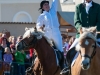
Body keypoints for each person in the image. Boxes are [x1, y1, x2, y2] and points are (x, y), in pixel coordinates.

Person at [66, 0, 100, 74]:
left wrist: (94, 30)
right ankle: (68, 69)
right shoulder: (78, 7)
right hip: (82, 35)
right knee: (70, 51)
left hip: (94, 35)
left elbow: (99, 21)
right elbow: (77, 21)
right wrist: (80, 29)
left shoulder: (98, 7)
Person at [36, 0, 65, 70]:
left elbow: (55, 1)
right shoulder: (42, 16)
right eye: (45, 5)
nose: (47, 5)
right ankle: (34, 66)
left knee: (60, 49)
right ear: (42, 7)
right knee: (42, 48)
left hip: (56, 32)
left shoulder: (53, 10)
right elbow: (38, 26)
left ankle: (63, 66)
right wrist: (40, 29)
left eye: (47, 4)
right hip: (47, 33)